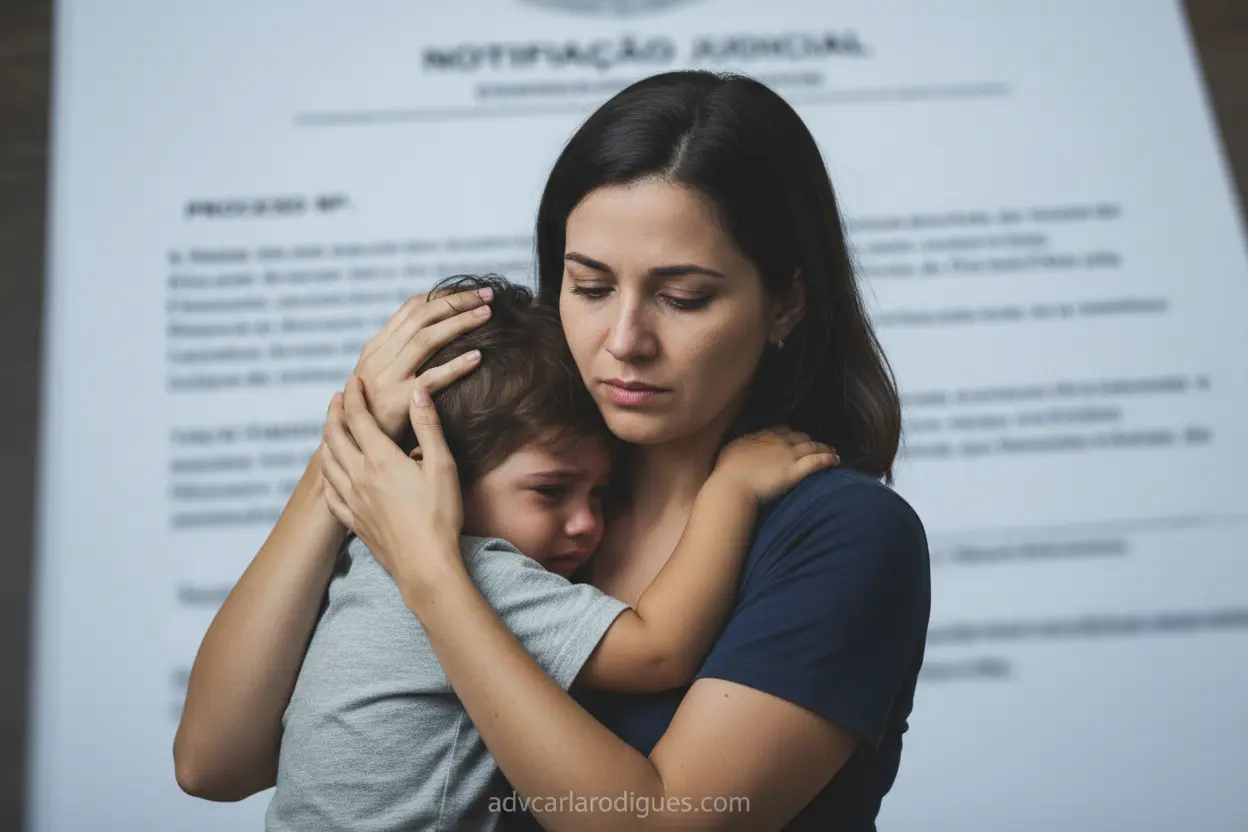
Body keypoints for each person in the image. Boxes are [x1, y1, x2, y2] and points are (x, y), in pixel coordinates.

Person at [175, 69, 930, 831]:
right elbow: (214, 762)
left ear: (786, 303)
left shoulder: (841, 533)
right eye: (591, 287)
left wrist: (431, 572)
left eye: (683, 297)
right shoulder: (506, 491)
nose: (625, 341)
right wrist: (355, 440)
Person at [251, 273, 838, 830]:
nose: (586, 524)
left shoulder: (357, 561)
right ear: (429, 475)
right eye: (550, 491)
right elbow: (658, 652)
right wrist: (730, 491)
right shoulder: (482, 569)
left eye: (601, 493)